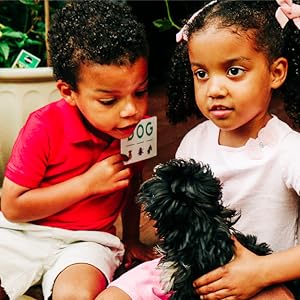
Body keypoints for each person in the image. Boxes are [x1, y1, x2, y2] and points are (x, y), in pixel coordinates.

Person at [97, 0, 300, 299]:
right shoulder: (195, 141)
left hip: (263, 275)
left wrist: (261, 272)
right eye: (201, 74)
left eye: (233, 71)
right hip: (189, 268)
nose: (214, 89)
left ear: (276, 72)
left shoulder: (289, 150)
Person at [0, 0, 157, 299]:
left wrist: (133, 239)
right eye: (109, 101)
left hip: (88, 243)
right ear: (68, 92)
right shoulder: (43, 127)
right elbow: (13, 207)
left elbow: (133, 183)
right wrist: (88, 184)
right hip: (21, 235)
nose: (131, 111)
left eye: (140, 92)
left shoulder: (139, 128)